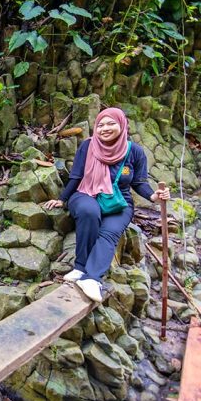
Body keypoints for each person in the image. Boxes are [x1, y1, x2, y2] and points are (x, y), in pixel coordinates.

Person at [42, 107, 171, 302]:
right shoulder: (87, 146)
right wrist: (62, 198)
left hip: (120, 201)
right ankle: (80, 268)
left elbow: (139, 183)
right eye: (100, 124)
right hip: (86, 193)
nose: (105, 128)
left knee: (109, 232)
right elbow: (76, 176)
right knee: (89, 212)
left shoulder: (134, 151)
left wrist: (154, 196)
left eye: (111, 123)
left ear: (122, 124)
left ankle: (92, 278)